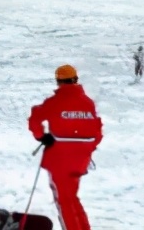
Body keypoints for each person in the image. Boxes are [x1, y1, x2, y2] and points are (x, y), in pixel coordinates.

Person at [28, 64, 103, 230]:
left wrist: (41, 136)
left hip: (59, 159)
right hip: (81, 159)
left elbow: (35, 119)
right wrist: (86, 149)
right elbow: (97, 132)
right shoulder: (88, 103)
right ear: (75, 80)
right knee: (72, 198)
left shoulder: (54, 102)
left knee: (64, 201)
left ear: (59, 81)